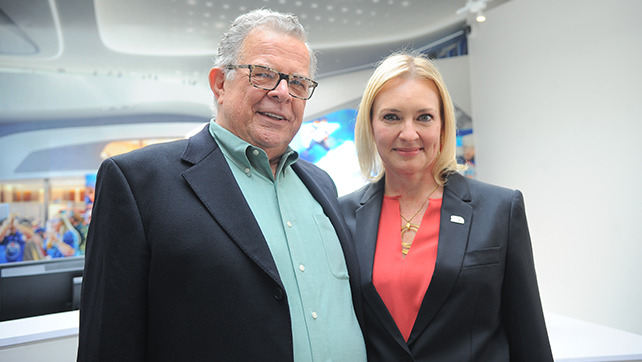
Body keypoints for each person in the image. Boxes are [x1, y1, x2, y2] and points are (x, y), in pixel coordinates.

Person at [77, 9, 366, 362]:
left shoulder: (321, 184)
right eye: (263, 75)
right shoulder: (138, 181)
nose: (282, 93)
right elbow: (108, 341)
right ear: (219, 83)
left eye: (298, 83)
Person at [339, 52, 553, 361]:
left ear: (442, 125)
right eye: (392, 116)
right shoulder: (340, 217)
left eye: (424, 117)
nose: (409, 133)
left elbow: (528, 335)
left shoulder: (499, 210)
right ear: (370, 125)